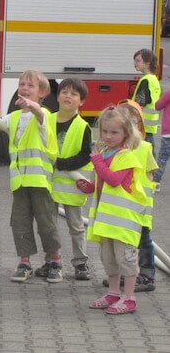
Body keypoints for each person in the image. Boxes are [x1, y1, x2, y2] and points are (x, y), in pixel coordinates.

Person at [0, 70, 62, 283]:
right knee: (19, 223)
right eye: (21, 84)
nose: (24, 88)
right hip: (19, 182)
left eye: (30, 85)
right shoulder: (15, 117)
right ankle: (25, 262)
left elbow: (40, 115)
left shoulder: (44, 115)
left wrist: (34, 106)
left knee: (47, 223)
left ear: (42, 93)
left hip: (40, 182)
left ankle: (54, 260)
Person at [77, 106, 146, 314]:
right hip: (107, 222)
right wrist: (88, 187)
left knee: (126, 259)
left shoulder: (126, 156)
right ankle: (114, 293)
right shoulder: (105, 153)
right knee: (109, 259)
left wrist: (97, 161)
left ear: (125, 132)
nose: (108, 136)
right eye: (105, 131)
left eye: (114, 132)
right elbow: (102, 184)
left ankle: (129, 297)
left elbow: (114, 181)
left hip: (123, 222)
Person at [38, 78, 92, 281]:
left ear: (82, 101)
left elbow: (85, 155)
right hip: (49, 183)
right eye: (64, 92)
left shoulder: (82, 126)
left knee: (76, 227)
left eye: (74, 94)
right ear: (57, 96)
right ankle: (52, 260)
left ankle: (81, 263)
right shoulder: (47, 120)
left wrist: (62, 164)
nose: (68, 96)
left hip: (71, 185)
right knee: (48, 225)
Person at [117, 100, 158, 292]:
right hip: (123, 205)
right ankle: (128, 275)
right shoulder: (116, 148)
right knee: (126, 241)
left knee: (143, 240)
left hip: (140, 204)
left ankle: (147, 275)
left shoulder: (144, 147)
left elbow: (150, 175)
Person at [131, 48, 161, 154]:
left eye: (138, 60)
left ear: (147, 63)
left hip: (142, 125)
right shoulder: (154, 79)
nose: (135, 63)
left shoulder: (145, 81)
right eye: (135, 60)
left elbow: (139, 105)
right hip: (149, 125)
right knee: (149, 152)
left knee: (145, 154)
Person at [154, 89, 170, 192]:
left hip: (168, 132)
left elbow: (158, 106)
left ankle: (156, 183)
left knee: (162, 159)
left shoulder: (169, 93)